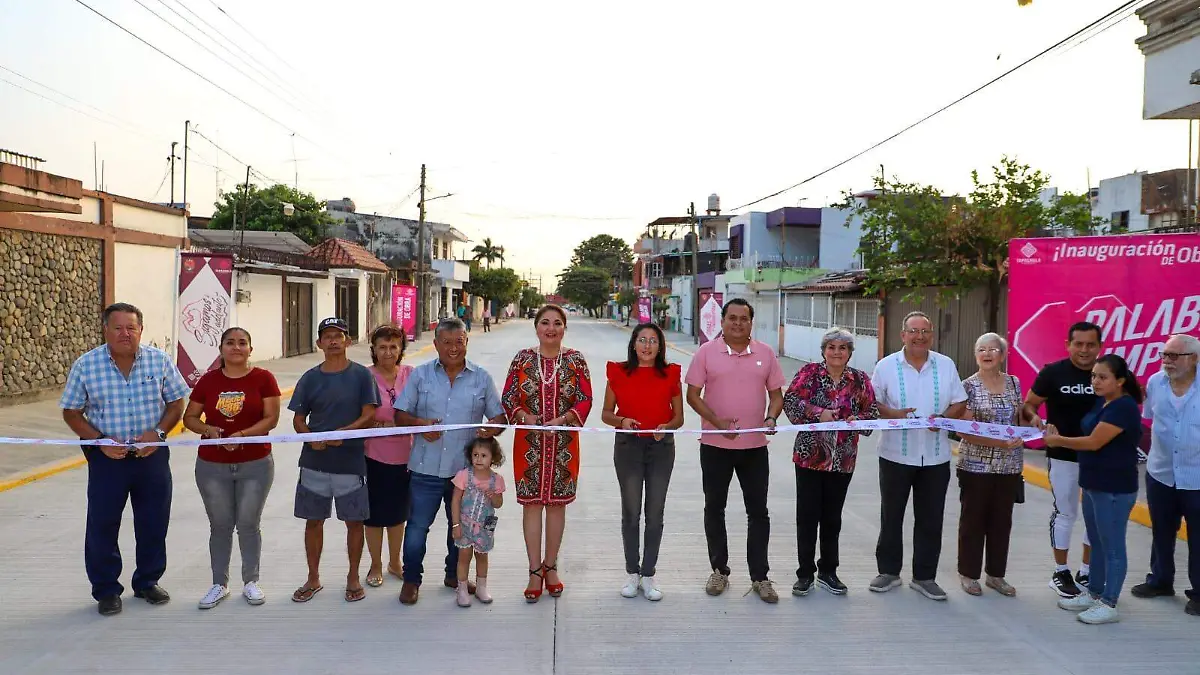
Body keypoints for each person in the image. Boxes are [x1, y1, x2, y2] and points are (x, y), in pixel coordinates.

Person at [60, 302, 190, 616]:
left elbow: (176, 403)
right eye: (117, 327)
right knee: (103, 524)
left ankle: (147, 581)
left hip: (151, 458)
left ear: (141, 330)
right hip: (108, 460)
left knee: (153, 522)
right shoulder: (87, 365)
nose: (125, 334)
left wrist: (158, 433)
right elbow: (71, 412)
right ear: (105, 330)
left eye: (131, 327)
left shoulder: (159, 361)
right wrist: (99, 441)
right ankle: (106, 589)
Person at [394, 317, 507, 606]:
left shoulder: (481, 377)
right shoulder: (420, 376)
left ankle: (452, 575)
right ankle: (411, 580)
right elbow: (400, 415)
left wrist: (492, 428)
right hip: (425, 469)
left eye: (459, 341)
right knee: (418, 527)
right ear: (436, 344)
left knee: (460, 527)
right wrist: (420, 425)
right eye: (447, 342)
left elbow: (500, 417)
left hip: (465, 474)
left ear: (467, 342)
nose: (453, 347)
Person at [685, 298, 785, 603]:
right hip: (715, 447)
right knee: (714, 508)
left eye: (744, 319)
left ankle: (760, 577)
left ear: (751, 323)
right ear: (723, 321)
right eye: (732, 318)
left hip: (755, 448)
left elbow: (776, 395)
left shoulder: (765, 353)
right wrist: (716, 422)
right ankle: (719, 570)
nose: (738, 323)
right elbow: (692, 395)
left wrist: (771, 417)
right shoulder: (706, 352)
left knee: (758, 512)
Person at [869, 311, 967, 601]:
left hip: (935, 457)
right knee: (891, 515)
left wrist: (944, 418)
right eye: (913, 331)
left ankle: (924, 577)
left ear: (932, 335)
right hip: (895, 454)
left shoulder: (945, 365)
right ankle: (888, 571)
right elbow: (872, 403)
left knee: (930, 518)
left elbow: (960, 401)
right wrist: (894, 415)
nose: (919, 336)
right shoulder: (886, 366)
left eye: (925, 331)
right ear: (903, 335)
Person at [183, 327, 281, 609]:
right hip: (213, 466)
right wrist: (208, 430)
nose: (236, 347)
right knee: (220, 525)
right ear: (221, 348)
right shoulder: (209, 381)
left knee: (249, 524)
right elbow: (190, 417)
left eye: (242, 343)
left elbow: (271, 418)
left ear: (250, 348)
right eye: (230, 342)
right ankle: (219, 584)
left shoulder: (264, 378)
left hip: (255, 464)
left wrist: (243, 435)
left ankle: (251, 581)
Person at [502, 304, 594, 602]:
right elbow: (508, 396)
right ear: (536, 327)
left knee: (557, 505)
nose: (550, 328)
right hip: (528, 444)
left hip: (564, 445)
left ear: (564, 327)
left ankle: (551, 566)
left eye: (557, 323)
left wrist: (565, 419)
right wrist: (523, 415)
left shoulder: (576, 360)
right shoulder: (522, 359)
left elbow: (585, 398)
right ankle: (534, 571)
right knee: (531, 505)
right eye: (545, 322)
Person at [1044, 354, 1144, 624]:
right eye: (1093, 376)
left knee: (1112, 546)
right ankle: (1095, 592)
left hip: (1114, 487)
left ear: (1120, 381)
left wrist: (1057, 440)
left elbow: (1094, 442)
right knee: (1097, 542)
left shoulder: (1123, 407)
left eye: (1102, 377)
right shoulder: (1104, 402)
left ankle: (1109, 602)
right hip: (1092, 484)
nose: (1096, 381)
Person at [288, 317, 380, 604]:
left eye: (338, 336)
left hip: (350, 463)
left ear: (348, 341)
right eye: (327, 336)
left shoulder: (362, 376)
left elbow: (370, 414)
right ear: (319, 344)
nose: (333, 341)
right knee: (313, 522)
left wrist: (346, 433)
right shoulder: (310, 378)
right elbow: (298, 420)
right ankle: (313, 578)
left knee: (354, 523)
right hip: (314, 464)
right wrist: (309, 437)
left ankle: (353, 577)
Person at [781, 327, 878, 597]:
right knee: (807, 517)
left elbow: (871, 411)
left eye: (843, 348)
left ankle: (828, 571)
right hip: (810, 458)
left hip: (843, 460)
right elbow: (791, 403)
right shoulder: (809, 374)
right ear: (823, 351)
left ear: (849, 353)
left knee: (832, 518)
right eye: (832, 347)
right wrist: (818, 413)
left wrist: (859, 421)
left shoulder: (859, 379)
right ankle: (804, 574)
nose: (837, 352)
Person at [602, 322, 684, 601]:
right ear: (633, 344)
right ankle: (631, 573)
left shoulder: (671, 374)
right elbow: (606, 414)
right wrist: (622, 421)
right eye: (642, 340)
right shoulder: (618, 372)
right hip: (628, 448)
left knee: (655, 514)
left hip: (661, 449)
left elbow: (679, 418)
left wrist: (667, 427)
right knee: (631, 512)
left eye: (653, 340)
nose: (647, 346)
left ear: (660, 346)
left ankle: (648, 574)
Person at [1022, 321, 1102, 598]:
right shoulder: (1052, 373)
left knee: (1095, 517)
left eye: (1090, 344)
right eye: (1078, 344)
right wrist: (1036, 419)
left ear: (1099, 347)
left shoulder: (1109, 372)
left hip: (1098, 457)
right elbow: (1029, 404)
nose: (1084, 350)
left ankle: (1088, 571)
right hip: (1062, 456)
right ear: (1068, 345)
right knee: (1066, 512)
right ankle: (1061, 571)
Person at [1130, 333, 1200, 617]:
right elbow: (1150, 419)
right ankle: (1160, 580)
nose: (1167, 361)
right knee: (1161, 531)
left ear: (1194, 359)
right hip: (1161, 473)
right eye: (1165, 355)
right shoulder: (1156, 383)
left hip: (1196, 478)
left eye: (1174, 356)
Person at [955, 333, 1026, 598]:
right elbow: (963, 430)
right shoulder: (968, 386)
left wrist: (1034, 423)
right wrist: (998, 443)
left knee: (1001, 522)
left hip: (1009, 466)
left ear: (1003, 355)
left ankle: (996, 575)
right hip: (975, 466)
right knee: (973, 521)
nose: (987, 354)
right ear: (976, 355)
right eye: (981, 349)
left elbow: (1021, 414)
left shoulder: (1014, 383)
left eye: (992, 349)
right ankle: (968, 573)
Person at [362, 324, 415, 589]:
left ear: (401, 349)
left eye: (394, 346)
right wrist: (384, 426)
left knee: (397, 513)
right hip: (373, 455)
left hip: (406, 455)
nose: (388, 351)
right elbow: (361, 416)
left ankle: (395, 562)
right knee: (373, 514)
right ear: (373, 349)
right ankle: (375, 564)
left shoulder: (411, 374)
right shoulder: (364, 376)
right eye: (382, 346)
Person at [450, 437, 507, 607]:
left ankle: (481, 587)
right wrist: (456, 525)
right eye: (475, 455)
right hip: (465, 524)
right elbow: (455, 501)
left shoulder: (496, 480)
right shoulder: (463, 476)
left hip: (486, 525)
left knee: (482, 555)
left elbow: (498, 504)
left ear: (493, 458)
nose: (478, 459)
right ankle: (461, 589)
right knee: (464, 556)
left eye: (484, 455)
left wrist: (494, 496)